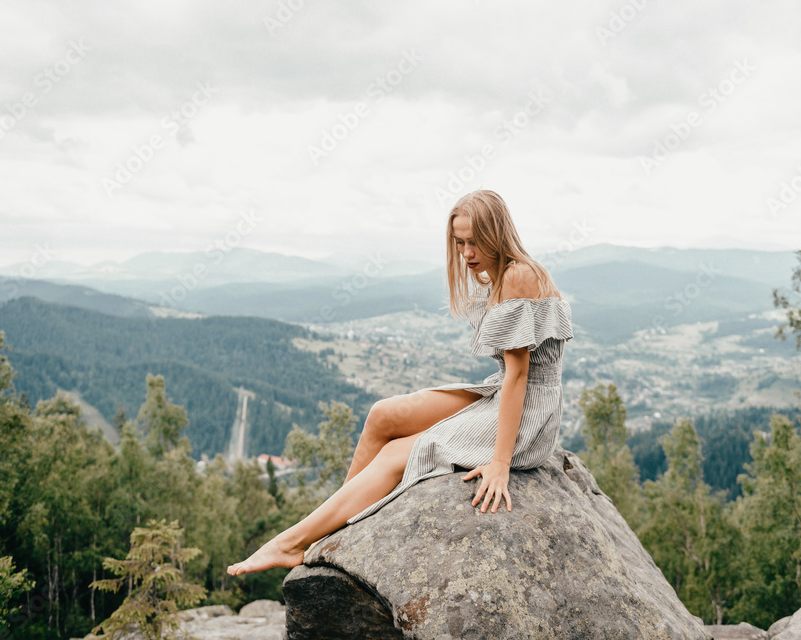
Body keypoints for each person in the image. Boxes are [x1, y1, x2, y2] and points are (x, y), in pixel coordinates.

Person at [227, 189, 573, 575]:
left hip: (528, 409)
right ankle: (334, 518)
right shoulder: (501, 275)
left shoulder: (518, 275)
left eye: (475, 241)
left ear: (497, 233)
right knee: (384, 415)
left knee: (397, 453)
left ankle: (291, 542)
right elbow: (509, 375)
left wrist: (500, 463)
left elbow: (521, 374)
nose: (467, 253)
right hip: (502, 388)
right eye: (460, 243)